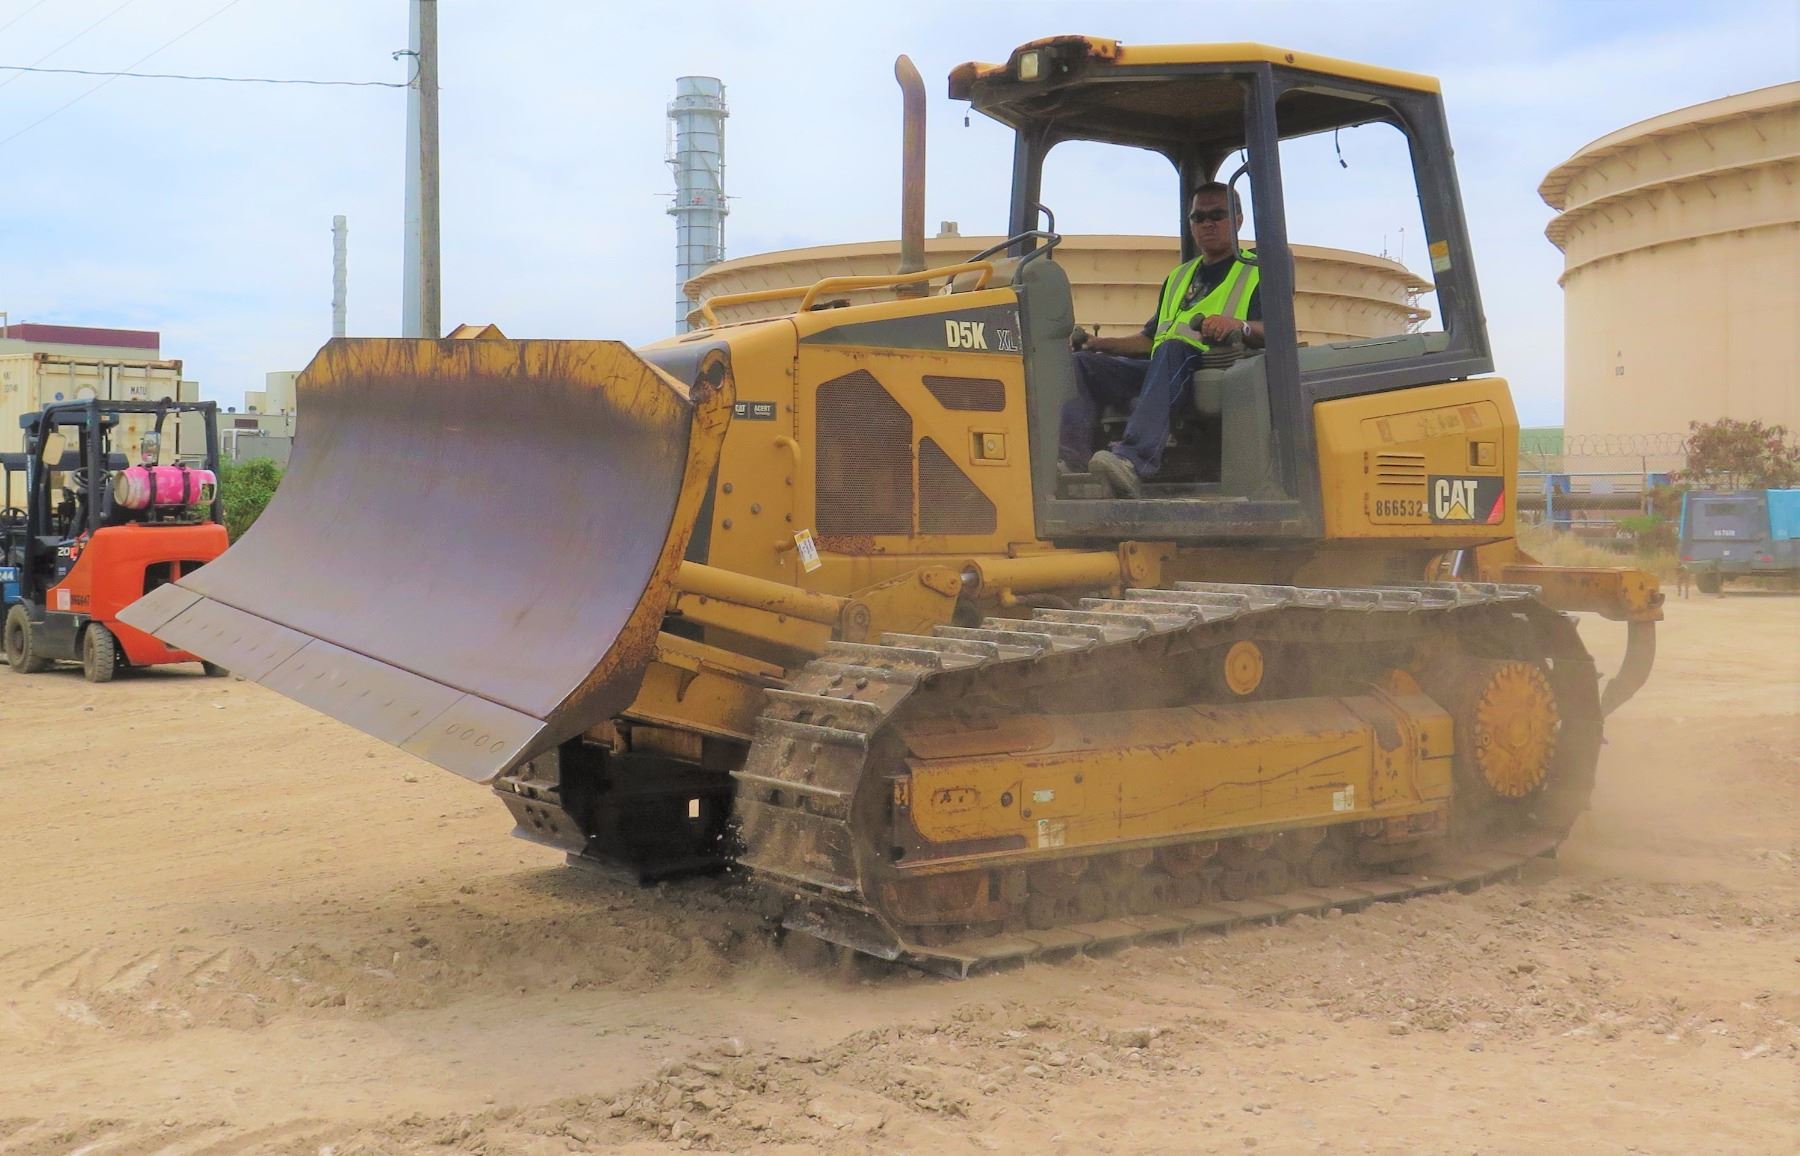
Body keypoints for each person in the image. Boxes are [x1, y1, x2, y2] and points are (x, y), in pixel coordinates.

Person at [1058, 182, 1263, 498]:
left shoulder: (1256, 270)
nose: (1207, 223)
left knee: (1173, 348)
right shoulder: (1179, 277)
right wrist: (1099, 344)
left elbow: (1276, 329)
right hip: (1164, 368)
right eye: (1198, 217)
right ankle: (1070, 464)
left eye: (1217, 215)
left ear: (1238, 220)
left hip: (1215, 368)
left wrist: (1239, 325)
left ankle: (1132, 460)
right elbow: (1149, 340)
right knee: (1082, 364)